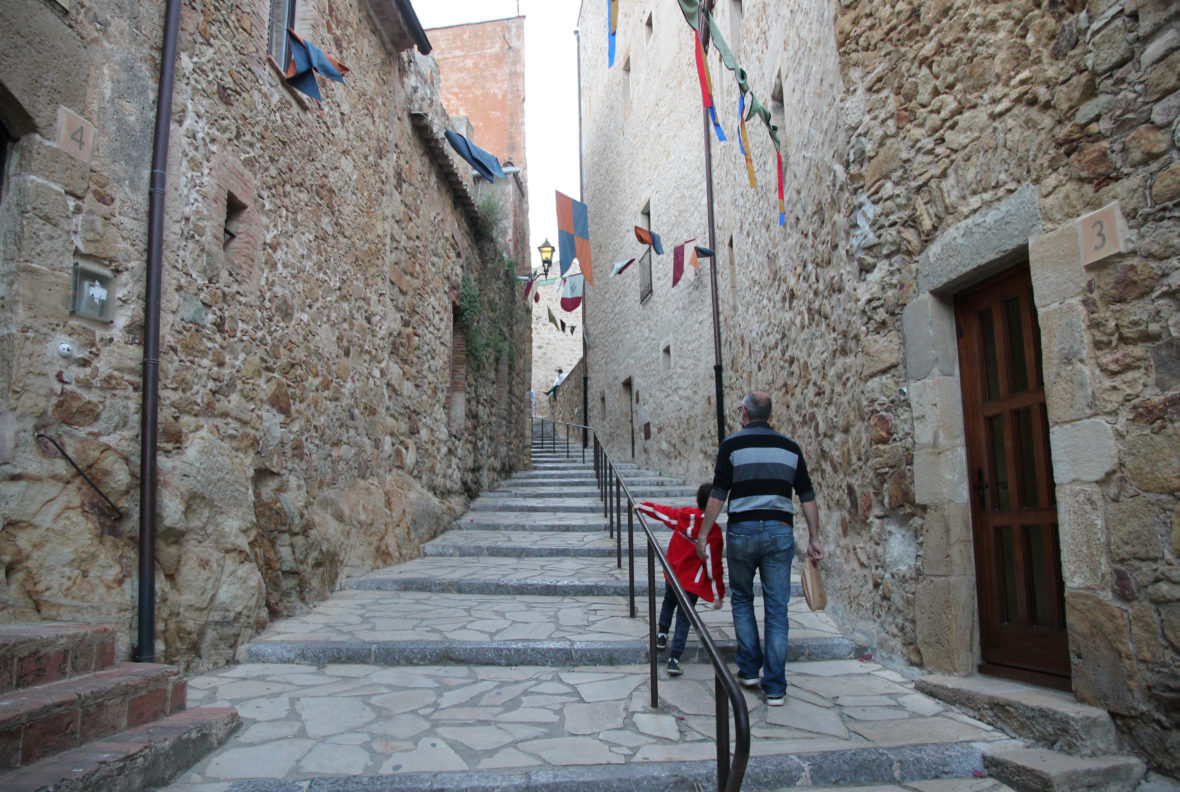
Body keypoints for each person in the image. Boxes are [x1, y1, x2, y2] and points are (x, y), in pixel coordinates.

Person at [695, 391, 823, 706]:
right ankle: (775, 686)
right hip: (780, 533)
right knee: (777, 609)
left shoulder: (732, 446)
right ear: (769, 415)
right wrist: (815, 538)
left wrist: (703, 535)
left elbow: (719, 494)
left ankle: (750, 669)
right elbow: (806, 495)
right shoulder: (790, 448)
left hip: (742, 531)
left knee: (741, 600)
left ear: (745, 414)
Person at [634, 483, 725, 677]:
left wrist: (643, 506)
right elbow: (714, 566)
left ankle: (661, 634)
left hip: (673, 573)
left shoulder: (686, 516)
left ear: (696, 500)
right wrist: (718, 594)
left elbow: (665, 513)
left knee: (668, 602)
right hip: (691, 583)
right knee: (685, 619)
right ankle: (674, 659)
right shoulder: (714, 533)